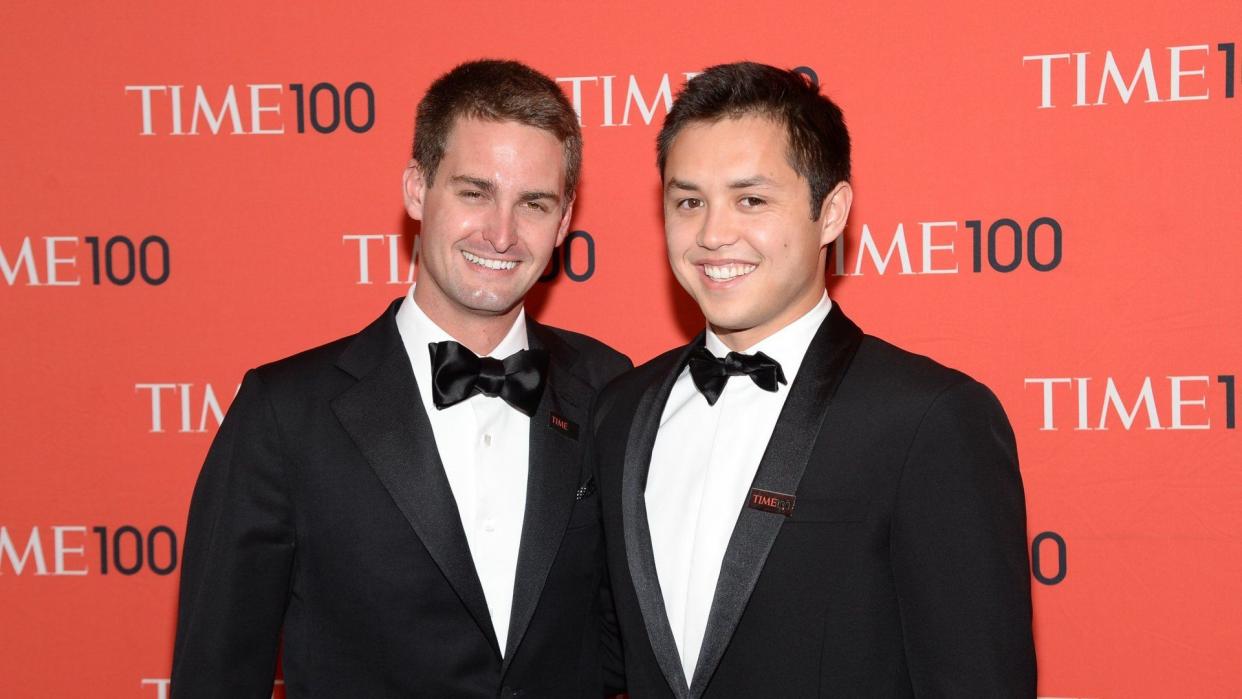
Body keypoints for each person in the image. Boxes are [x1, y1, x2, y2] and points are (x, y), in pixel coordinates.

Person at [171, 59, 630, 698]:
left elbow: (626, 639)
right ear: (417, 189)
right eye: (474, 192)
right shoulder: (286, 414)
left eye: (533, 203)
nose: (501, 233)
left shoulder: (611, 389)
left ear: (564, 220)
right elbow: (217, 674)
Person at [594, 62, 1036, 697]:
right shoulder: (623, 411)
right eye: (689, 201)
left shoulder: (928, 420)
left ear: (831, 214)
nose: (714, 234)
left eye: (751, 200)